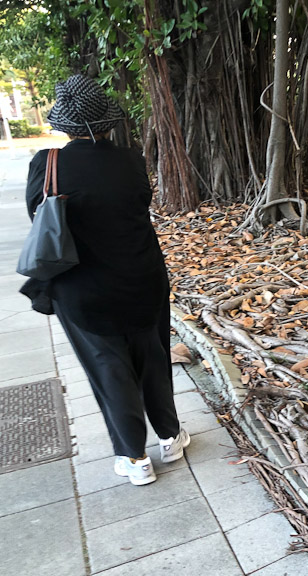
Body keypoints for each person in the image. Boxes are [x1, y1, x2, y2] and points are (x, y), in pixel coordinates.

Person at [22, 74, 189, 486]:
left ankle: (135, 459)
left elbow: (38, 219)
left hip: (82, 291)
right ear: (108, 121)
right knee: (153, 361)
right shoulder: (131, 160)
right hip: (142, 279)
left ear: (65, 124)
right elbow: (138, 206)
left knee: (108, 369)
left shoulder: (48, 164)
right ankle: (169, 438)